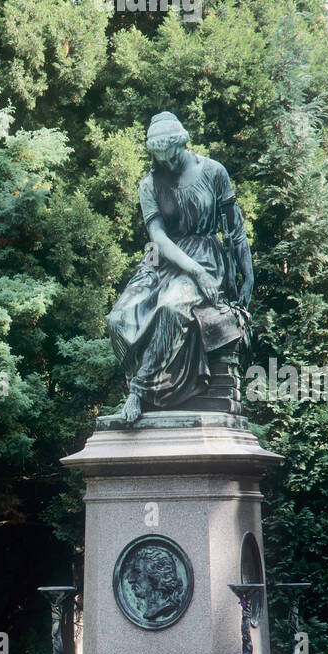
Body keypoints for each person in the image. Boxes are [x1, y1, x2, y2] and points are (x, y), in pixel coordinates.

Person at [107, 112, 253, 424]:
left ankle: (139, 391)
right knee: (118, 319)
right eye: (160, 160)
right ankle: (147, 379)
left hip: (206, 257)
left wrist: (247, 276)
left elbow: (235, 231)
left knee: (171, 309)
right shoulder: (149, 183)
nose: (168, 165)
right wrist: (190, 269)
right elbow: (157, 237)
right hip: (162, 258)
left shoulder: (213, 172)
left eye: (171, 157)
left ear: (182, 145)